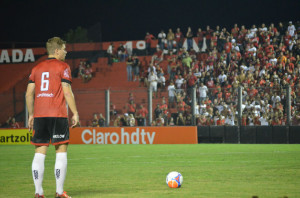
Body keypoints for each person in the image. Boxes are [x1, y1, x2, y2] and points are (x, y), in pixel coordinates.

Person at [26, 37, 79, 198]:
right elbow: (67, 91)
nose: (66, 51)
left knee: (39, 153)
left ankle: (38, 192)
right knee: (61, 152)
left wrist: (31, 114)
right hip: (57, 115)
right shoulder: (63, 66)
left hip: (40, 116)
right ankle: (59, 191)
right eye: (64, 48)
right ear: (56, 51)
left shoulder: (36, 68)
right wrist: (75, 112)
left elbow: (29, 94)